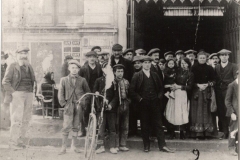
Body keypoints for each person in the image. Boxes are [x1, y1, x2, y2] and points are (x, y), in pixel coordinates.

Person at [130, 56, 174, 153]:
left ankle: (162, 146)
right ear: (142, 64)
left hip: (154, 103)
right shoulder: (137, 75)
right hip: (143, 104)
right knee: (144, 125)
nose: (147, 64)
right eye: (145, 63)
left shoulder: (155, 75)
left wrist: (158, 98)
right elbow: (132, 91)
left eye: (149, 63)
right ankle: (146, 146)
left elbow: (161, 89)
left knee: (158, 124)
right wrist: (140, 99)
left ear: (151, 64)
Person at [2, 47, 37, 150]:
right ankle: (13, 142)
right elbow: (5, 82)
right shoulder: (12, 66)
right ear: (17, 55)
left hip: (29, 94)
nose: (23, 56)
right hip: (18, 94)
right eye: (21, 54)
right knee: (17, 119)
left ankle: (20, 141)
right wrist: (14, 93)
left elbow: (33, 80)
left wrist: (34, 91)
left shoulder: (29, 66)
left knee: (26, 119)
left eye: (25, 54)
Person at [58, 59, 91, 155]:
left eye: (76, 68)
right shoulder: (63, 80)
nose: (74, 70)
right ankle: (63, 147)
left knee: (76, 126)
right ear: (69, 68)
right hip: (68, 105)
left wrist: (83, 102)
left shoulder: (82, 80)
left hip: (79, 106)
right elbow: (60, 94)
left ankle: (74, 146)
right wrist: (64, 104)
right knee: (66, 126)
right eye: (72, 68)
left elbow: (87, 92)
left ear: (79, 69)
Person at [165, 57, 194, 140]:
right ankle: (172, 132)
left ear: (188, 64)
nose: (183, 65)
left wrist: (179, 86)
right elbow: (171, 79)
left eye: (185, 63)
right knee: (173, 112)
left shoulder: (190, 74)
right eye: (182, 63)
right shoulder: (177, 71)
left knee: (181, 112)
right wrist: (172, 85)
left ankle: (182, 132)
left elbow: (189, 87)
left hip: (182, 94)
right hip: (174, 93)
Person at [189, 51, 216, 139]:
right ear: (198, 58)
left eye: (204, 58)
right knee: (197, 111)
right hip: (196, 92)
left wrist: (207, 85)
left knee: (207, 111)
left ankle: (208, 132)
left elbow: (214, 80)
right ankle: (198, 133)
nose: (202, 59)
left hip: (207, 92)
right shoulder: (193, 68)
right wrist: (198, 85)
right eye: (200, 58)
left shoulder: (210, 68)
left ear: (206, 59)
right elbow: (190, 81)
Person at [106, 64, 130, 154]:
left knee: (125, 125)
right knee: (116, 125)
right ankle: (116, 145)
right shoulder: (112, 82)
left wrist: (128, 100)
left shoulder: (126, 81)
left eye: (122, 71)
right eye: (118, 71)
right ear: (114, 72)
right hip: (116, 105)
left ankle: (123, 144)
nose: (120, 73)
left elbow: (129, 92)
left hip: (125, 104)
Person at [215, 49, 238, 139]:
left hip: (229, 91)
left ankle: (231, 131)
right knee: (221, 111)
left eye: (226, 55)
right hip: (219, 92)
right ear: (220, 57)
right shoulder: (216, 67)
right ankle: (224, 131)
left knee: (229, 110)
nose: (224, 56)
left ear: (228, 56)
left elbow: (236, 79)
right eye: (222, 55)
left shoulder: (233, 66)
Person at [79, 51, 103, 136]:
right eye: (90, 57)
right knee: (85, 110)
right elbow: (80, 81)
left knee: (97, 109)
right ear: (87, 58)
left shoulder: (99, 67)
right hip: (86, 92)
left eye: (93, 57)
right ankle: (83, 130)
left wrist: (99, 91)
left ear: (96, 58)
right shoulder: (83, 68)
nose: (92, 58)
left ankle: (96, 130)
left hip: (96, 91)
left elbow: (101, 80)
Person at [93, 61, 108, 154]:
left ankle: (114, 145)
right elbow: (94, 90)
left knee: (113, 126)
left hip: (111, 107)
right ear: (102, 69)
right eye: (105, 68)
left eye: (109, 68)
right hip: (101, 106)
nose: (107, 70)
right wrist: (97, 93)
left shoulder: (113, 80)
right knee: (101, 127)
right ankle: (100, 146)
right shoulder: (99, 80)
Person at [225, 75, 238, 156]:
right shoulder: (232, 85)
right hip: (235, 113)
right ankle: (231, 148)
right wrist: (232, 112)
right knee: (233, 131)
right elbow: (227, 101)